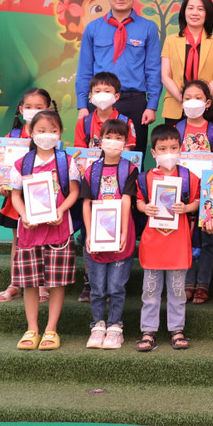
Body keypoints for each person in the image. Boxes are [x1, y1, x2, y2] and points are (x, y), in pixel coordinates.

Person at [7, 110, 79, 350]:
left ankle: (51, 329)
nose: (47, 135)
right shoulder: (22, 163)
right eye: (41, 130)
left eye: (53, 130)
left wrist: (61, 210)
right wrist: (24, 215)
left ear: (60, 133)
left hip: (59, 231)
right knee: (30, 283)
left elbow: (74, 192)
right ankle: (32, 329)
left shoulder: (66, 162)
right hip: (30, 232)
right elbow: (15, 196)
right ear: (31, 132)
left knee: (56, 282)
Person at [75, 0, 161, 149]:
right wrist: (82, 105)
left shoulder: (148, 28)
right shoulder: (93, 28)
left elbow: (153, 70)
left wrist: (151, 105)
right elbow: (85, 70)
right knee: (98, 154)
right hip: (100, 102)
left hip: (134, 102)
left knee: (133, 156)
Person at [133, 124, 199, 352]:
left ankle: (177, 330)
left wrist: (187, 207)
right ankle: (148, 330)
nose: (168, 153)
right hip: (153, 244)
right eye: (162, 149)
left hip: (178, 244)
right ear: (153, 152)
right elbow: (138, 200)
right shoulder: (145, 178)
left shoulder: (188, 177)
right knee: (150, 291)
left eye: (173, 148)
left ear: (180, 149)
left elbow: (198, 201)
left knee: (178, 292)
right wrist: (145, 208)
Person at [80, 119, 136, 350]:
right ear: (100, 140)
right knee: (97, 288)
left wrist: (123, 232)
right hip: (97, 234)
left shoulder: (129, 169)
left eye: (118, 138)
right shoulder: (91, 170)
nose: (113, 142)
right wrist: (89, 234)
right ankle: (97, 325)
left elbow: (126, 201)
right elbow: (86, 203)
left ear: (126, 142)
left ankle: (115, 327)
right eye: (109, 137)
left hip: (120, 234)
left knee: (116, 286)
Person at [0, 88, 54, 303]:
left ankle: (42, 284)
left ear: (48, 109)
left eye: (39, 107)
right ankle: (16, 283)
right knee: (18, 241)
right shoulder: (11, 138)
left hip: (43, 198)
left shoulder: (51, 137)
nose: (33, 111)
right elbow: (0, 171)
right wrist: (3, 186)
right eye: (28, 107)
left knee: (43, 241)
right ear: (21, 110)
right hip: (16, 199)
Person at [179, 79, 213, 305]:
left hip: (208, 196)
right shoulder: (176, 130)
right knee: (185, 239)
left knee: (207, 241)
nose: (192, 102)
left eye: (198, 98)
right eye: (188, 98)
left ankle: (203, 285)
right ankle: (188, 283)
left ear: (207, 103)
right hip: (184, 195)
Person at [159, 0, 213, 122]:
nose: (195, 13)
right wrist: (184, 100)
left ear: (207, 13)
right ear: (184, 12)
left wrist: (200, 101)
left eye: (200, 9)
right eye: (190, 8)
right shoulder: (171, 40)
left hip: (209, 106)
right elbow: (165, 76)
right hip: (177, 105)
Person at [74, 72, 138, 149]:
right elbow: (80, 151)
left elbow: (127, 151)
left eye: (107, 91)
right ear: (91, 96)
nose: (102, 95)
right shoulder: (83, 123)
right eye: (97, 91)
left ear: (116, 96)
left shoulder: (126, 123)